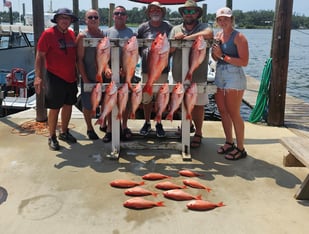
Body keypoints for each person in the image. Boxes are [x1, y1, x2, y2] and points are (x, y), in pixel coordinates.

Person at [169, 0, 213, 148]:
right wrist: (175, 43)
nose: (189, 14)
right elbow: (169, 51)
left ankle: (199, 132)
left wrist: (186, 39)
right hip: (178, 75)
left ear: (198, 13)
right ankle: (185, 126)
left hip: (198, 75)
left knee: (199, 105)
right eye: (186, 11)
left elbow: (209, 34)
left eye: (192, 11)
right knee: (182, 103)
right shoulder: (175, 29)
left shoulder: (204, 27)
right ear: (182, 14)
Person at [34, 8, 79, 150]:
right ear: (57, 20)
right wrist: (38, 77)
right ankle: (52, 136)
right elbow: (40, 56)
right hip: (55, 77)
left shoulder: (72, 34)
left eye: (67, 18)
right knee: (54, 108)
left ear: (71, 21)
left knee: (68, 105)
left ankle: (64, 132)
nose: (65, 21)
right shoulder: (48, 34)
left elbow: (76, 57)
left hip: (71, 77)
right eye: (62, 18)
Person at [211, 7, 249, 160]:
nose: (223, 21)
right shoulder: (218, 35)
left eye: (226, 18)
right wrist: (215, 54)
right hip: (220, 74)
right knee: (222, 110)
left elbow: (244, 62)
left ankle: (241, 148)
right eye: (220, 19)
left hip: (235, 76)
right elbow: (215, 59)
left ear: (231, 19)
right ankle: (229, 142)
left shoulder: (239, 37)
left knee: (234, 113)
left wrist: (223, 56)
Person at [136, 1, 173, 138]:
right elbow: (138, 47)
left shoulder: (168, 27)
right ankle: (146, 122)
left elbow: (174, 44)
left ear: (162, 12)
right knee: (146, 98)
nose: (155, 12)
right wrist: (147, 59)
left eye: (158, 9)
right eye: (152, 10)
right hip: (147, 70)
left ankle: (158, 122)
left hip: (163, 69)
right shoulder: (142, 27)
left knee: (161, 97)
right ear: (149, 13)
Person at [102, 5, 135, 143]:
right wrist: (106, 68)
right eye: (117, 13)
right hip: (110, 72)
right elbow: (102, 54)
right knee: (110, 100)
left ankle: (124, 126)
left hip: (125, 71)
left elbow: (134, 56)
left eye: (122, 13)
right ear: (113, 16)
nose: (119, 15)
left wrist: (127, 69)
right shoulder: (107, 32)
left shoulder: (131, 33)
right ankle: (109, 129)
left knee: (125, 101)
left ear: (126, 16)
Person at [76, 9, 104, 140]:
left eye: (96, 17)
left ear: (99, 19)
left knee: (104, 101)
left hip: (102, 76)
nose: (93, 19)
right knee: (87, 104)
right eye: (90, 17)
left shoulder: (103, 35)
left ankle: (104, 124)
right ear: (85, 20)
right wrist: (85, 78)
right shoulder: (82, 36)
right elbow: (79, 59)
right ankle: (89, 128)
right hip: (88, 75)